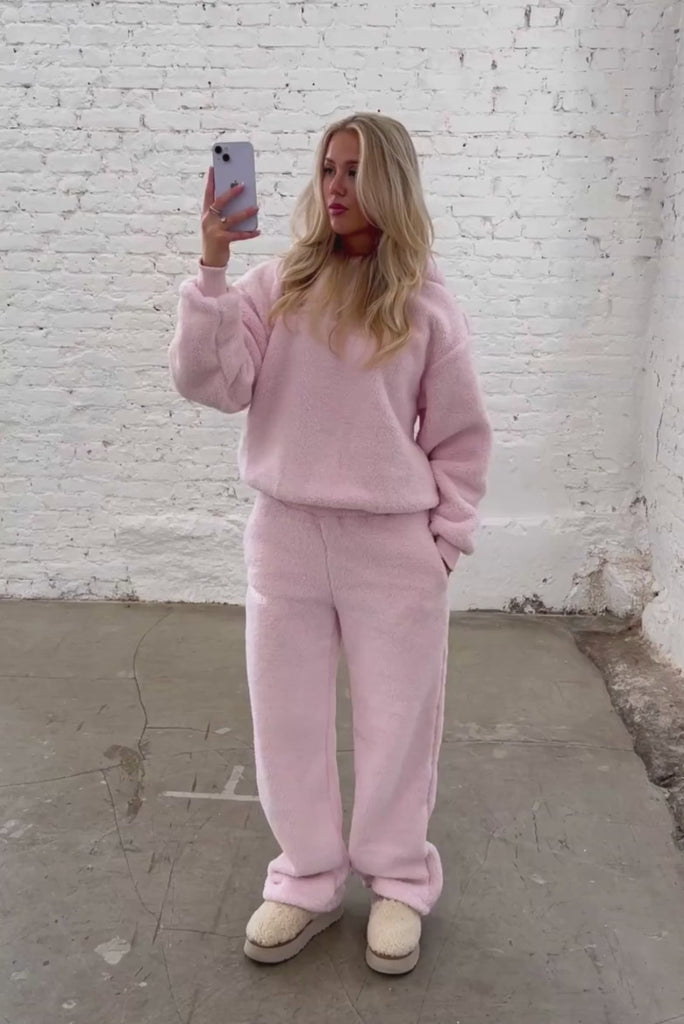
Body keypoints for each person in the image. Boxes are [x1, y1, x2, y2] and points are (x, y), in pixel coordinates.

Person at [168, 112, 492, 975]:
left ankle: (399, 880)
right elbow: (212, 383)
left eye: (354, 171)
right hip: (286, 536)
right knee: (287, 721)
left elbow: (461, 437)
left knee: (399, 722)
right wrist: (212, 266)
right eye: (327, 169)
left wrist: (444, 541)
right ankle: (307, 878)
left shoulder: (424, 303)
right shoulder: (277, 284)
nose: (336, 187)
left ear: (391, 182)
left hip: (392, 548)